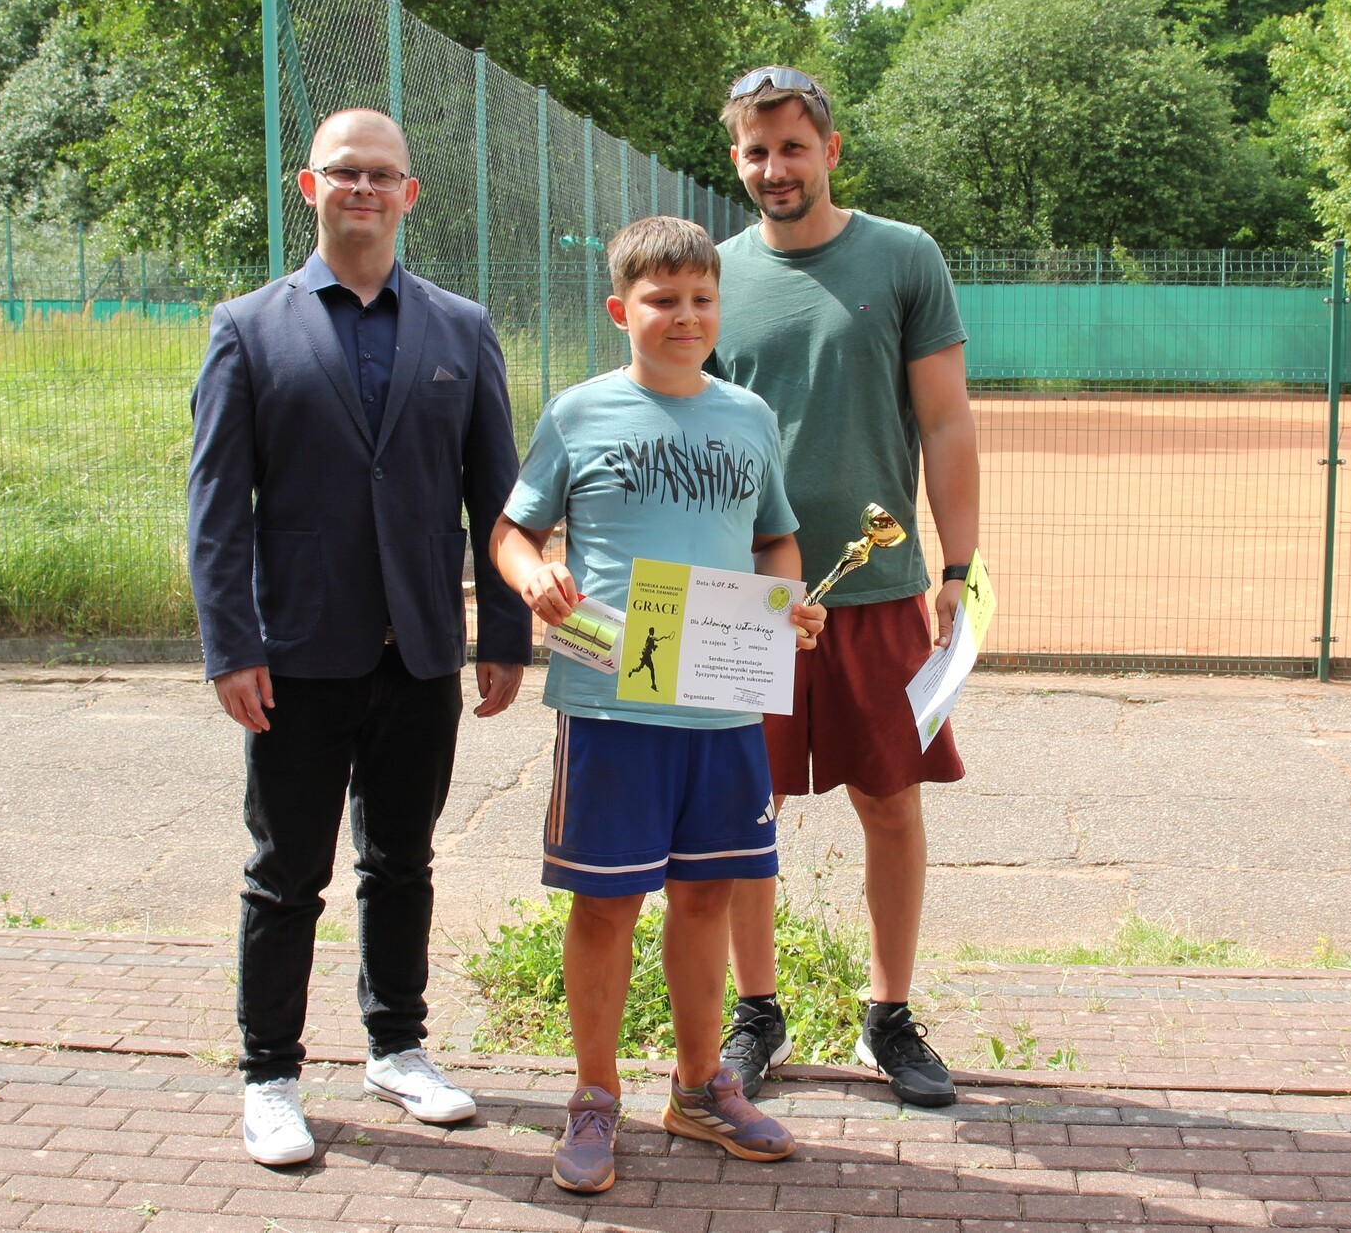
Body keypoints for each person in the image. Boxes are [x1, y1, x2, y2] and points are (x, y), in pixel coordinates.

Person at [187, 108, 530, 1166]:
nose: (365, 190)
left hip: (419, 651)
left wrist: (504, 635)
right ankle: (270, 1077)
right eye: (345, 173)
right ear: (311, 187)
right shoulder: (248, 328)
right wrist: (231, 645)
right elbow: (216, 508)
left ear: (410, 193)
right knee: (285, 874)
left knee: (402, 863)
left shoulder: (461, 329)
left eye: (383, 175)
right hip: (296, 657)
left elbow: (497, 498)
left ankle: (397, 1048)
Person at [489, 215, 827, 1195]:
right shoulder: (579, 413)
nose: (685, 317)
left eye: (702, 299)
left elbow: (774, 540)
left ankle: (697, 1088)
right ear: (619, 309)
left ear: (721, 306)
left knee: (708, 897)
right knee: (605, 905)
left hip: (721, 706)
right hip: (611, 701)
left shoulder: (749, 416)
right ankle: (595, 1095)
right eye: (662, 300)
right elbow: (512, 532)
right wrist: (533, 575)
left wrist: (787, 603)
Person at [709, 66, 980, 1110]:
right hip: (747, 599)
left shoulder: (904, 256)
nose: (774, 167)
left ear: (829, 150)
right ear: (737, 160)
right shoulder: (711, 273)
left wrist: (956, 567)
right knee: (745, 806)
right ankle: (755, 1013)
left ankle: (888, 1016)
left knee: (890, 801)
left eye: (792, 146)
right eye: (756, 150)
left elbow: (946, 421)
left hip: (877, 590)